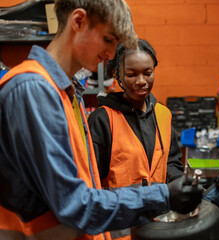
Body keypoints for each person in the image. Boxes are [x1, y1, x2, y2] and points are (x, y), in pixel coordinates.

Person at [0, 1, 203, 240]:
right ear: (78, 21)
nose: (109, 55)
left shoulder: (65, 93)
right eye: (108, 39)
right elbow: (74, 205)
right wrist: (163, 196)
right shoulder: (33, 91)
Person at [88, 39, 184, 239]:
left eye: (148, 73)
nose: (141, 81)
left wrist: (180, 184)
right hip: (119, 230)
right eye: (132, 74)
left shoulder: (163, 115)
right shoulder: (103, 119)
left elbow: (171, 162)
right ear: (118, 76)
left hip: (158, 227)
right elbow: (91, 181)